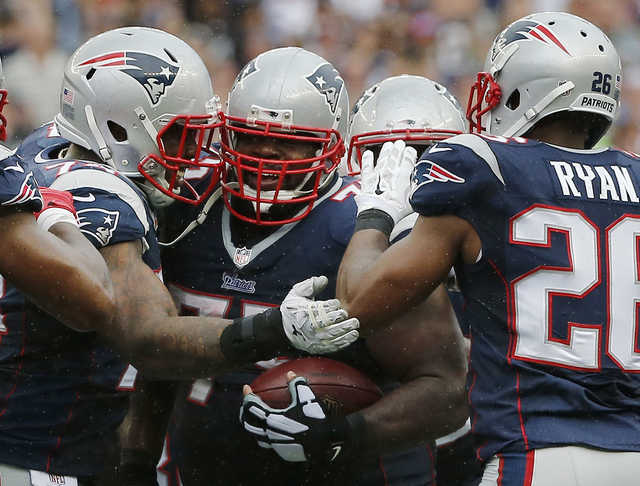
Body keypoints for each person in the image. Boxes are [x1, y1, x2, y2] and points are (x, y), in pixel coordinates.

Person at [244, 12, 640, 486]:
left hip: (536, 451)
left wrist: (375, 213)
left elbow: (354, 303)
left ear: (523, 91)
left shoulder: (486, 167)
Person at [0, 28, 357, 484]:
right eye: (180, 138)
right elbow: (149, 342)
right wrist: (275, 329)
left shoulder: (41, 148)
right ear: (117, 127)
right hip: (40, 452)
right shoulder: (106, 195)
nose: (192, 158)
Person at [155, 50, 468, 486]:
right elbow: (146, 353)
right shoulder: (186, 211)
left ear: (330, 145)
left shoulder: (363, 229)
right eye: (249, 136)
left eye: (290, 140)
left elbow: (446, 390)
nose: (265, 151)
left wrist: (345, 434)